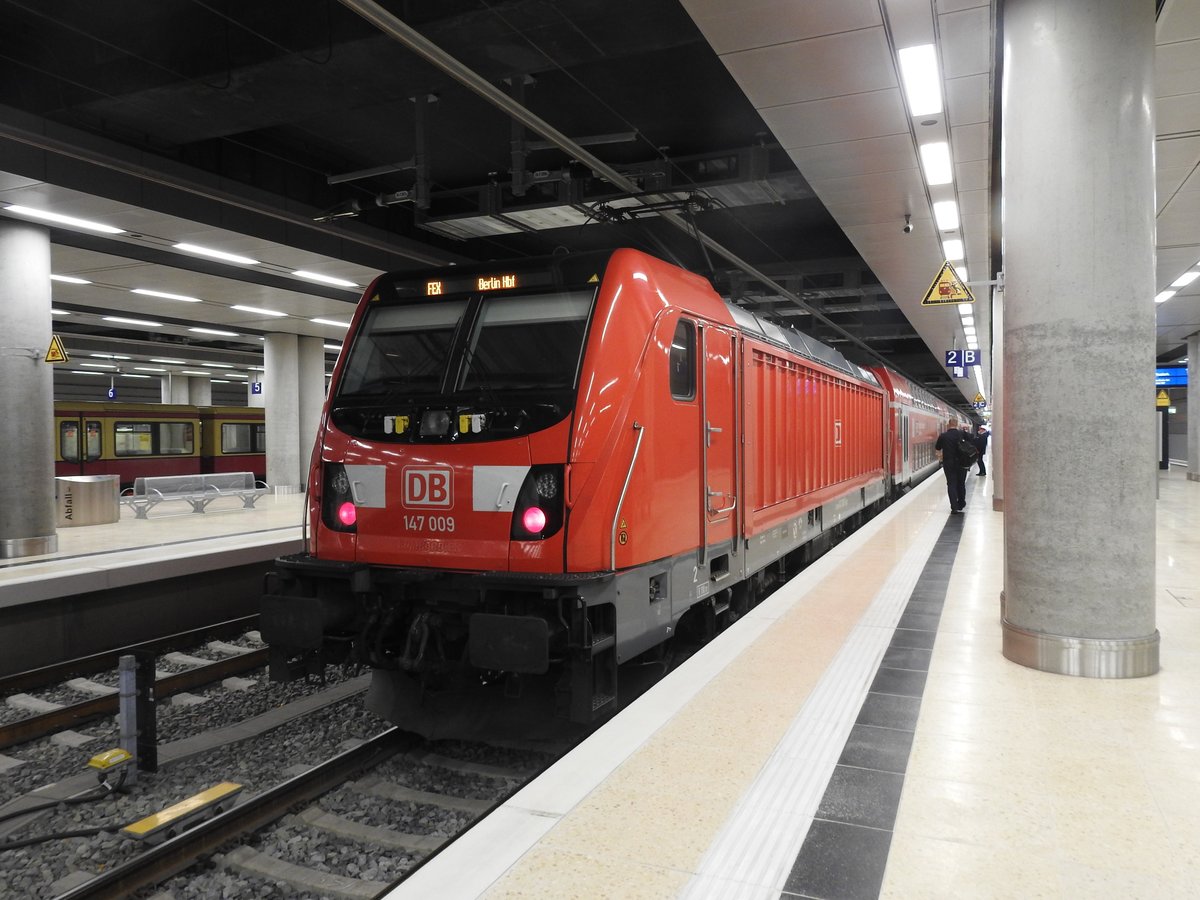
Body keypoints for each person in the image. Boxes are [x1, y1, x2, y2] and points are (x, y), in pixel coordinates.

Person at [934, 420, 970, 513]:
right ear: (957, 424)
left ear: (948, 425)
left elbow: (938, 448)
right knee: (961, 483)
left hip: (949, 463)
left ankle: (954, 507)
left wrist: (941, 455)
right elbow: (971, 442)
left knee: (951, 484)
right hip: (962, 463)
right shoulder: (962, 434)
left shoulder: (943, 436)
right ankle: (961, 503)